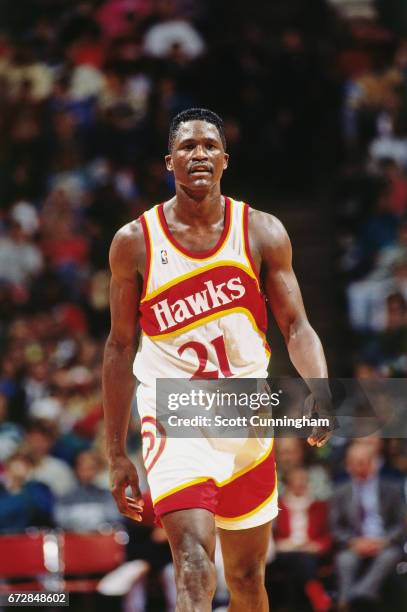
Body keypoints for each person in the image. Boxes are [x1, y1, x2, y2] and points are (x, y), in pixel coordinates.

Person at [103, 107, 333, 611]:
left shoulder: (262, 231)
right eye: (187, 146)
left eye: (209, 145)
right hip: (173, 415)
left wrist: (318, 387)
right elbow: (120, 347)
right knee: (193, 567)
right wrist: (117, 451)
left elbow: (296, 325)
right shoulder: (134, 241)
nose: (199, 153)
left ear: (225, 159)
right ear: (170, 161)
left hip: (245, 412)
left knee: (248, 578)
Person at [331, 442, 406, 610]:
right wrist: (353, 542)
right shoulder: (340, 491)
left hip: (385, 543)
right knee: (344, 560)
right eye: (354, 463)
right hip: (354, 544)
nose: (359, 467)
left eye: (363, 462)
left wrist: (383, 541)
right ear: (348, 465)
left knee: (388, 557)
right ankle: (344, 604)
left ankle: (357, 596)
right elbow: (335, 527)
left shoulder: (391, 488)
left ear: (373, 462)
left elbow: (400, 524)